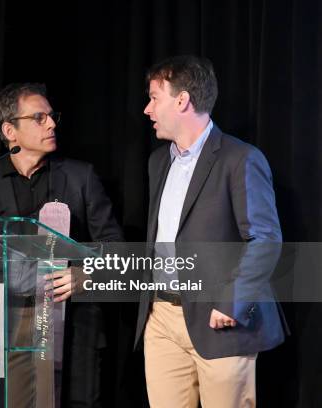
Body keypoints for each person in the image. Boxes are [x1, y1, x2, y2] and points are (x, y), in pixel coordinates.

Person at [0, 83, 125, 407]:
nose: (51, 124)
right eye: (39, 117)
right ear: (10, 130)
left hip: (75, 323)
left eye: (51, 116)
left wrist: (84, 274)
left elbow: (113, 245)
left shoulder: (80, 177)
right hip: (8, 323)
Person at [135, 55, 287, 407]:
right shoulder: (158, 161)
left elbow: (264, 239)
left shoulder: (240, 158)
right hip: (162, 319)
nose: (147, 109)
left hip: (219, 321)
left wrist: (232, 303)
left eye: (155, 97)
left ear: (182, 100)